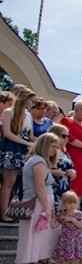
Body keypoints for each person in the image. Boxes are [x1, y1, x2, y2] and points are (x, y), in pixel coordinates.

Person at [14, 132, 62, 264]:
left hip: (40, 203)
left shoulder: (39, 161)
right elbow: (39, 186)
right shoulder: (38, 161)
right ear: (44, 145)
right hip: (36, 203)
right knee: (28, 238)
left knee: (39, 236)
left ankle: (41, 260)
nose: (55, 150)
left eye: (57, 147)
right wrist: (48, 208)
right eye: (53, 146)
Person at [1, 87, 36, 221]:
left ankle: (12, 210)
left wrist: (43, 140)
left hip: (22, 150)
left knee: (17, 183)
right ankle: (4, 213)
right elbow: (8, 133)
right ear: (25, 99)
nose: (33, 104)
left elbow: (30, 136)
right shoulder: (8, 112)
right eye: (32, 101)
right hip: (11, 148)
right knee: (8, 182)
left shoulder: (28, 115)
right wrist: (26, 143)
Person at [52, 191, 82, 264]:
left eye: (74, 202)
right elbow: (54, 226)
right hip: (66, 240)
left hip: (77, 240)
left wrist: (72, 220)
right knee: (65, 259)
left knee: (75, 259)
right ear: (64, 203)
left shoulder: (79, 214)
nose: (72, 205)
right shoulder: (61, 214)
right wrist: (52, 217)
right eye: (69, 203)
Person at [47, 123, 77, 209]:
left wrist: (72, 173)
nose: (66, 139)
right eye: (63, 136)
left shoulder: (65, 152)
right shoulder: (48, 151)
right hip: (51, 187)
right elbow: (37, 169)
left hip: (64, 189)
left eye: (68, 136)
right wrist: (53, 172)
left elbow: (70, 168)